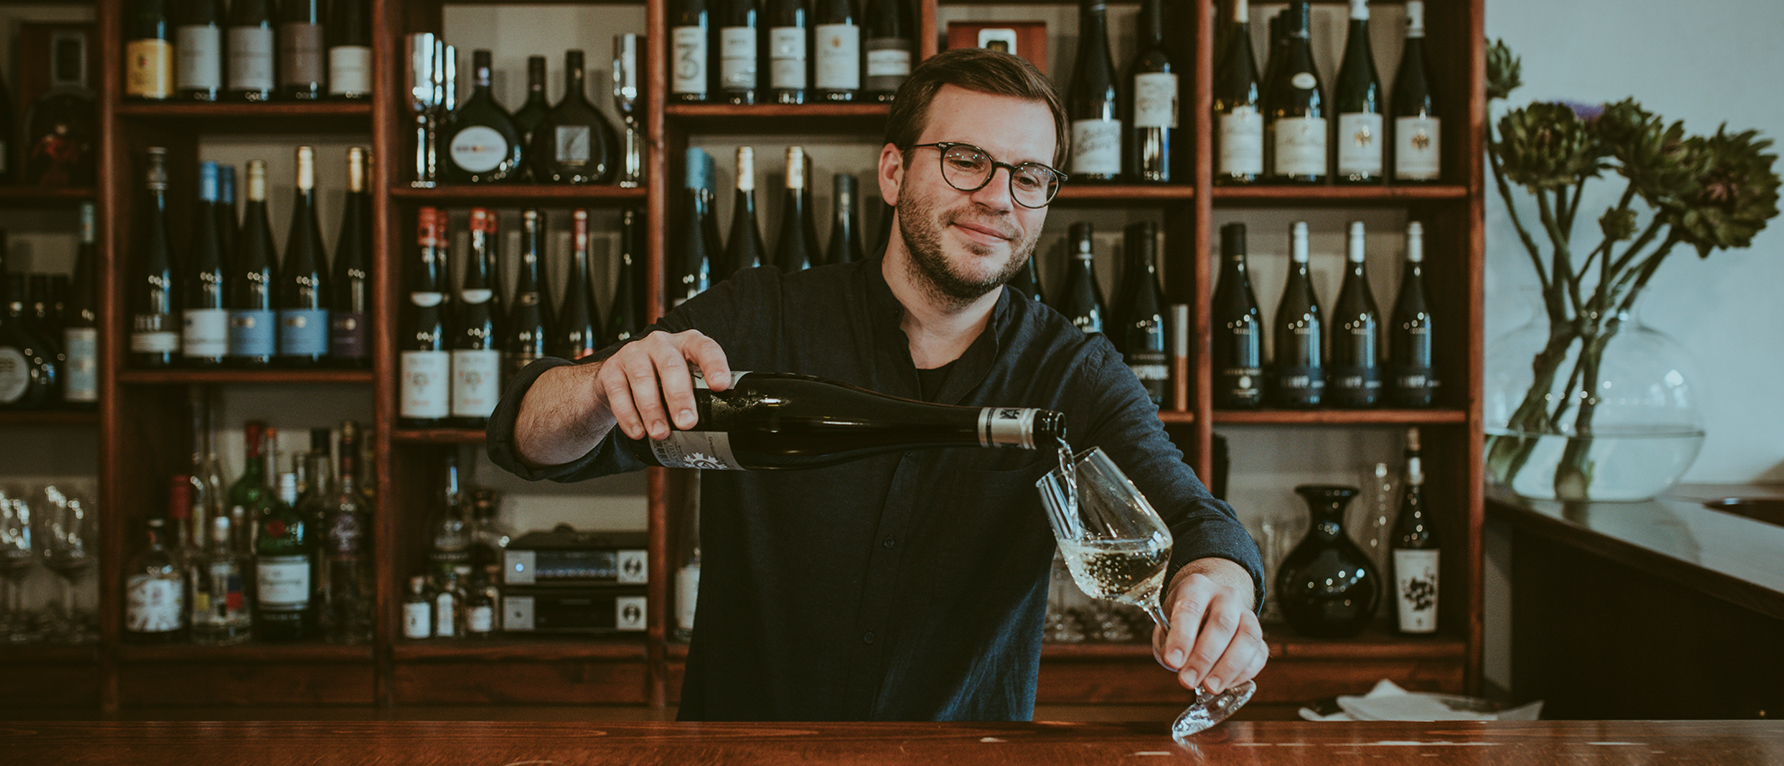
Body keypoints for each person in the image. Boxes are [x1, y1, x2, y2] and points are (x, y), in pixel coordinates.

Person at [487, 48, 1267, 721]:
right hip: (747, 758)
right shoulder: (759, 320)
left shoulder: (1073, 372)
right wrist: (597, 387)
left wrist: (1220, 583)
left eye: (1030, 175)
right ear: (893, 171)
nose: (999, 197)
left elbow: (1197, 520)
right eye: (967, 160)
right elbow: (529, 442)